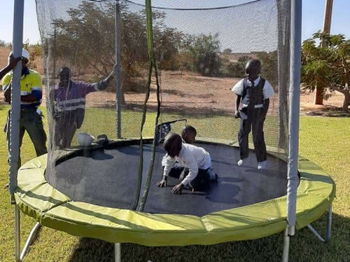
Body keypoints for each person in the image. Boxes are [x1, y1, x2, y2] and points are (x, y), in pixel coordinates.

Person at [2, 49, 47, 165]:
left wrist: (15, 98)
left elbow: (36, 96)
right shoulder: (8, 77)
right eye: (10, 59)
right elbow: (7, 98)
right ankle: (14, 178)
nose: (11, 61)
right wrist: (13, 75)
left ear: (24, 61)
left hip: (31, 114)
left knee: (40, 146)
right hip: (14, 114)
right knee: (13, 149)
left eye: (14, 59)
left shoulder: (34, 75)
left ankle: (45, 175)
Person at [52, 66, 115, 148]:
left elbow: (98, 86)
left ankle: (66, 151)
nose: (63, 78)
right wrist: (54, 113)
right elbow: (50, 104)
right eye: (61, 75)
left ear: (69, 76)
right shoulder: (56, 90)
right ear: (58, 76)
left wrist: (111, 76)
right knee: (55, 143)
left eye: (66, 75)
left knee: (66, 143)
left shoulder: (79, 87)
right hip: (61, 118)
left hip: (73, 118)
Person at [231, 59, 274, 170]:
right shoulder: (243, 82)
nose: (250, 75)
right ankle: (243, 157)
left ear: (258, 72)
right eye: (248, 73)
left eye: (252, 73)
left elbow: (267, 100)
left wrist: (263, 115)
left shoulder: (264, 83)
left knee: (257, 136)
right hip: (245, 112)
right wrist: (236, 110)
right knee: (242, 135)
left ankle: (261, 160)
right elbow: (238, 96)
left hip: (258, 112)